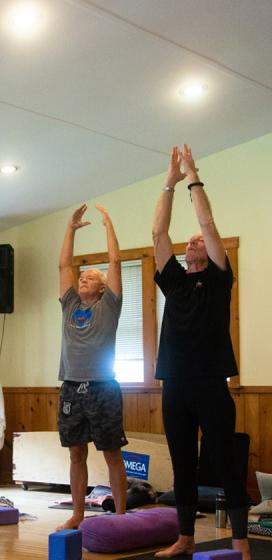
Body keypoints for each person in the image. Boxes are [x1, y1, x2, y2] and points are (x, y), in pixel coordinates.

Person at [152, 145, 249, 560]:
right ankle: (186, 537)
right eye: (188, 241)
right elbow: (158, 234)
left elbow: (207, 222)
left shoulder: (218, 280)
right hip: (175, 385)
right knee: (182, 465)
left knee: (226, 462)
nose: (192, 241)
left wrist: (193, 178)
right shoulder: (173, 281)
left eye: (198, 241)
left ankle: (241, 542)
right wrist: (169, 183)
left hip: (211, 384)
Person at [53, 202, 128, 531]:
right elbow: (63, 265)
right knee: (75, 454)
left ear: (101, 288)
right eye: (82, 276)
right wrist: (70, 228)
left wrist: (109, 224)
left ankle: (122, 516)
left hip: (102, 388)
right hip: (71, 386)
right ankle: (78, 514)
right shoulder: (69, 304)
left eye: (91, 277)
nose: (84, 278)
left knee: (111, 453)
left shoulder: (109, 306)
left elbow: (114, 262)